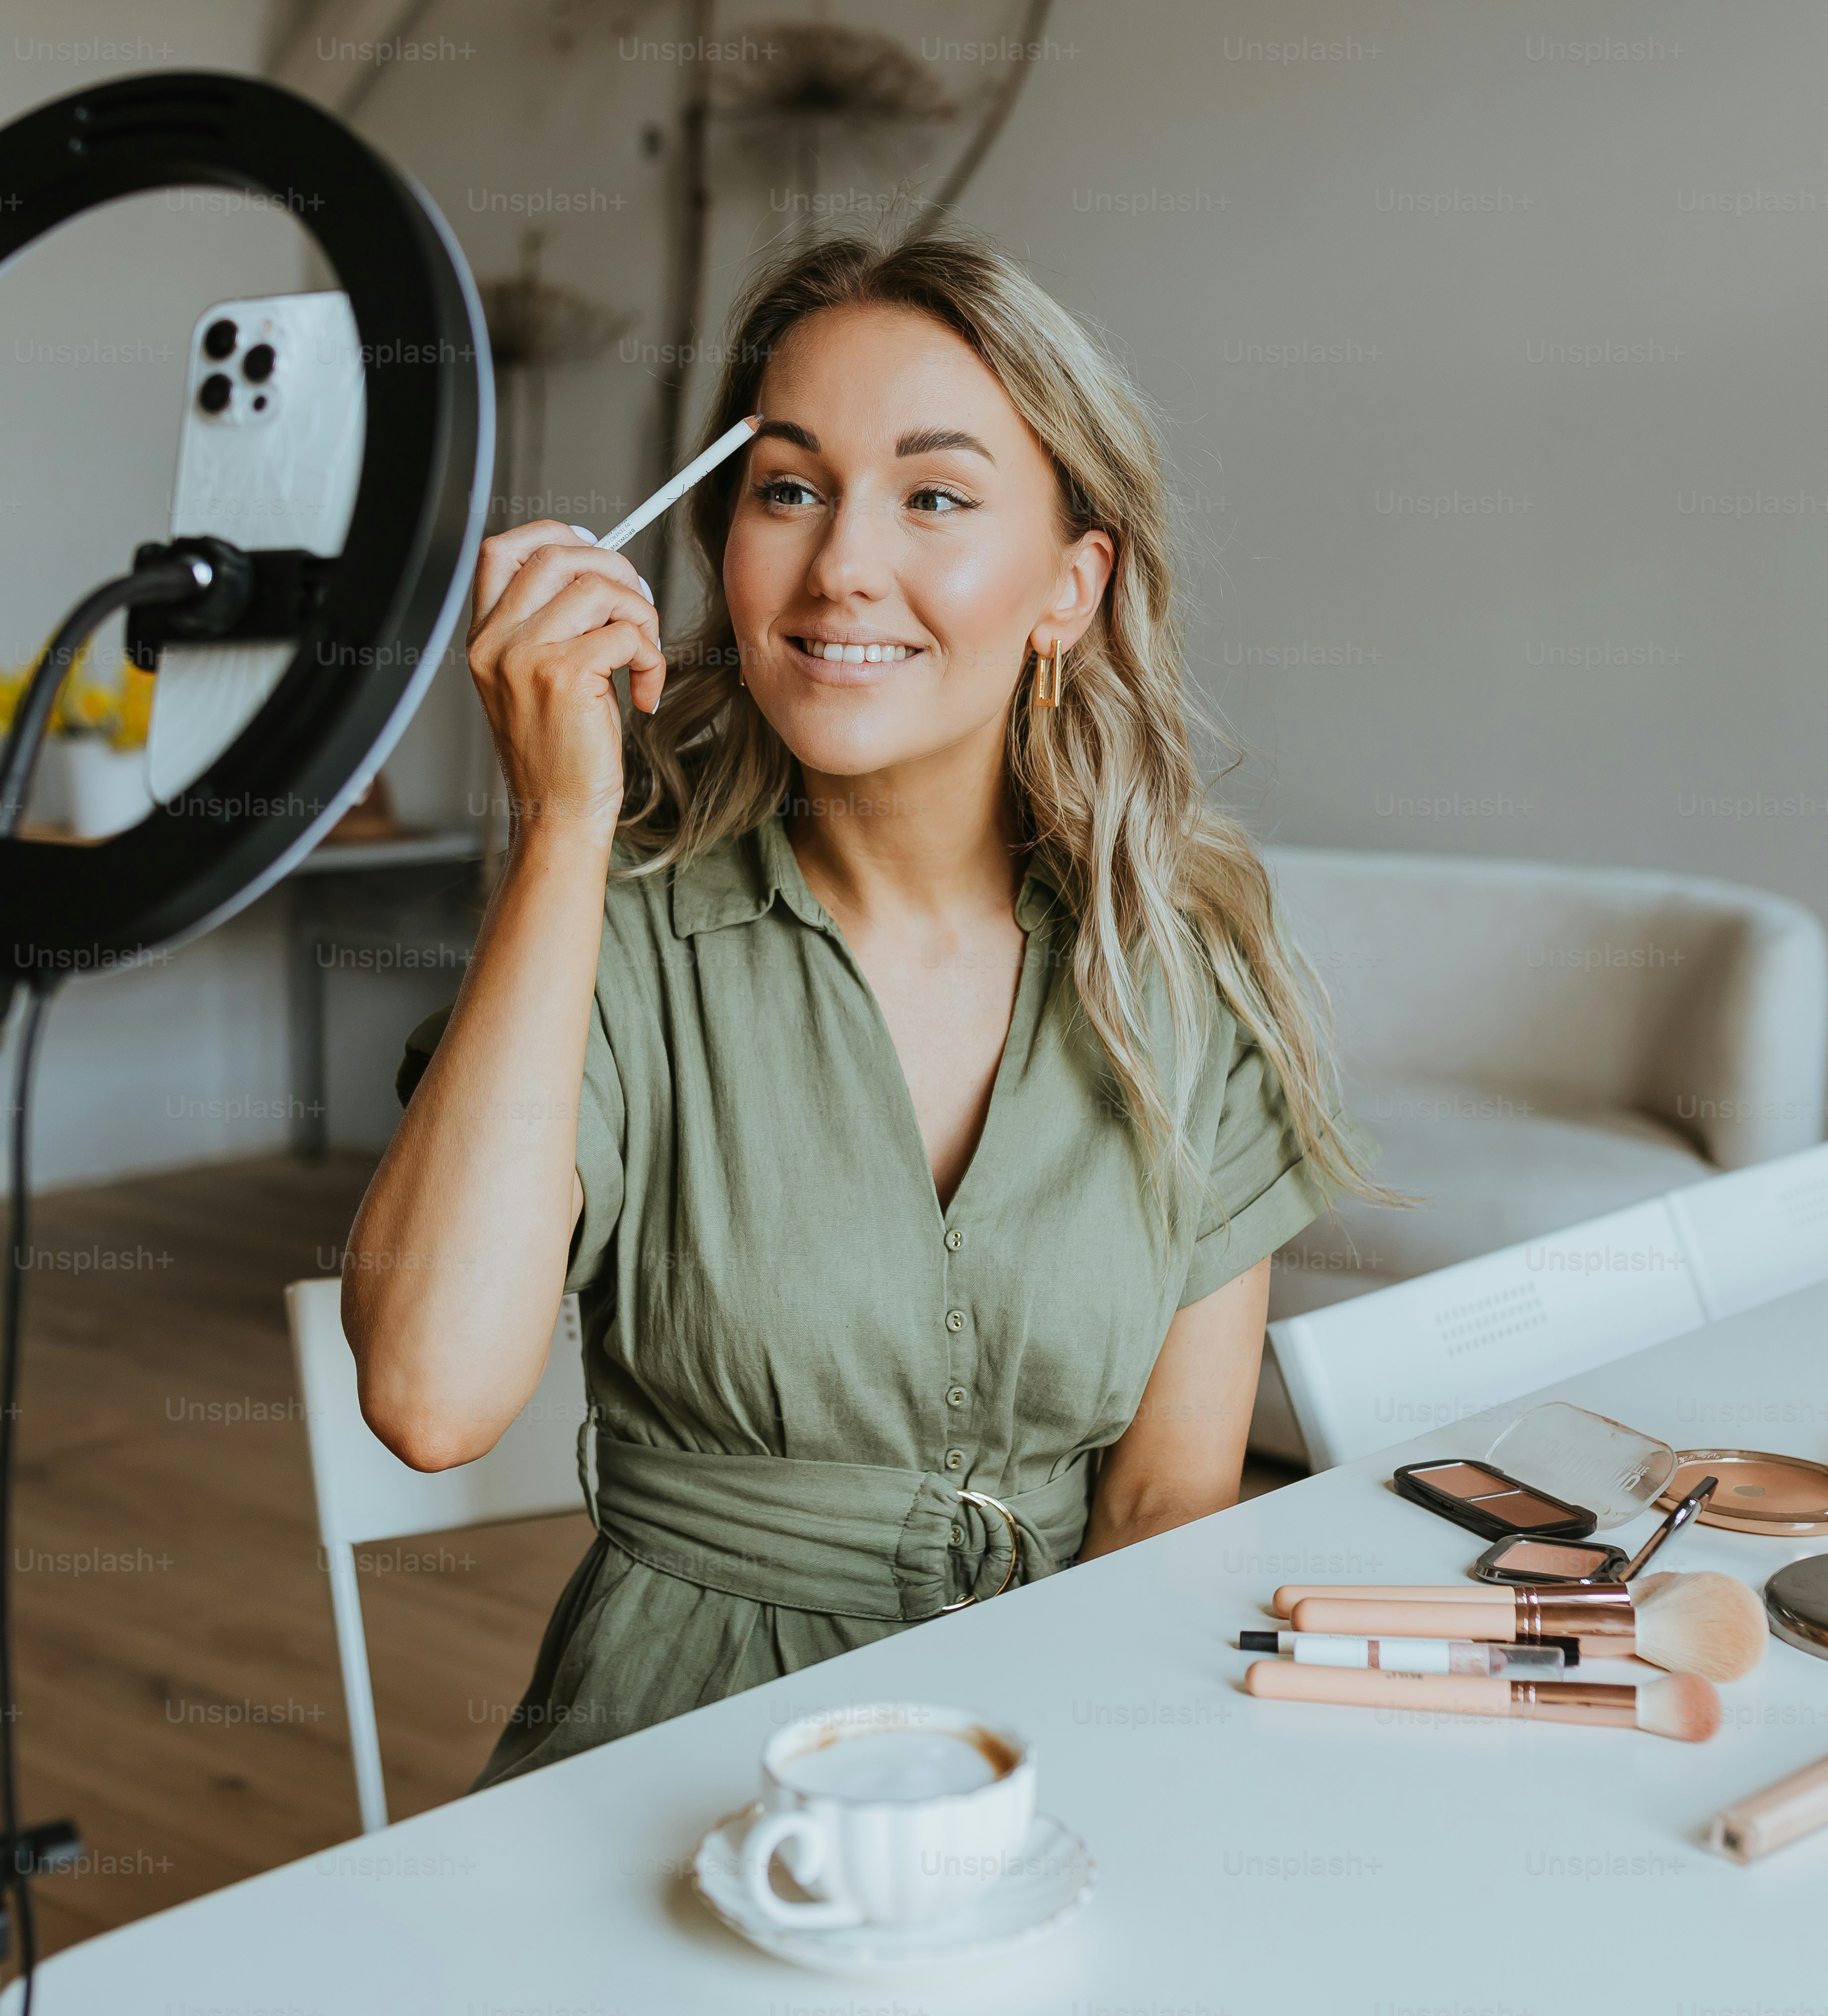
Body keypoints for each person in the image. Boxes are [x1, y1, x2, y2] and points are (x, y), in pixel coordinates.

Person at [341, 229, 1384, 1786]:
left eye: (937, 495)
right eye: (789, 487)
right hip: (673, 1775)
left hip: (1051, 1755)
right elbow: (429, 1398)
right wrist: (562, 828)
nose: (841, 566)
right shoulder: (617, 939)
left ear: (1070, 588)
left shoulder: (1184, 970)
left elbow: (1168, 1506)